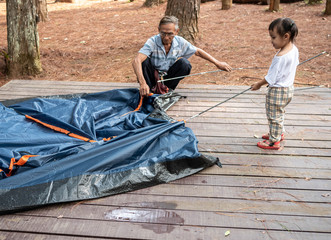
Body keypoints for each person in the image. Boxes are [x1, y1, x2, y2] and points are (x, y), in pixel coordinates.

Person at [132, 15, 232, 96]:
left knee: (185, 64)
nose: (166, 37)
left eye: (170, 34)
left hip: (167, 78)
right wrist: (142, 83)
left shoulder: (180, 42)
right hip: (151, 78)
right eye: (163, 33)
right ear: (158, 30)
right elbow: (136, 61)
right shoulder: (152, 41)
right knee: (143, 61)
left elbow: (198, 51)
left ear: (177, 31)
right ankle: (147, 91)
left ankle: (167, 91)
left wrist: (217, 63)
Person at [251, 18, 299, 150]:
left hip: (277, 92)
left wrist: (258, 84)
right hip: (289, 89)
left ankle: (274, 141)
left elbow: (270, 78)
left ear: (286, 36)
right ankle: (277, 133)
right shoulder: (294, 49)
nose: (271, 41)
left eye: (273, 37)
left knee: (274, 116)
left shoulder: (279, 57)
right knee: (279, 113)